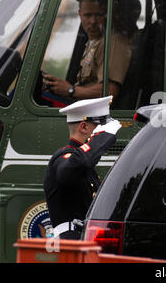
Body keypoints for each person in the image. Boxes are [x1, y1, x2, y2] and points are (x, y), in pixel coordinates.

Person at [43, 95, 122, 239]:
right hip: (68, 241)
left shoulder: (85, 165)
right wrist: (103, 137)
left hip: (84, 238)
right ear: (84, 126)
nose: (104, 131)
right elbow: (68, 171)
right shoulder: (64, 157)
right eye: (101, 126)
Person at [42, 0, 131, 102]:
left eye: (98, 15)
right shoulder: (91, 43)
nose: (93, 21)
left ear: (106, 15)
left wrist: (70, 90)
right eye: (88, 15)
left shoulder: (112, 43)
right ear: (80, 14)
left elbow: (110, 92)